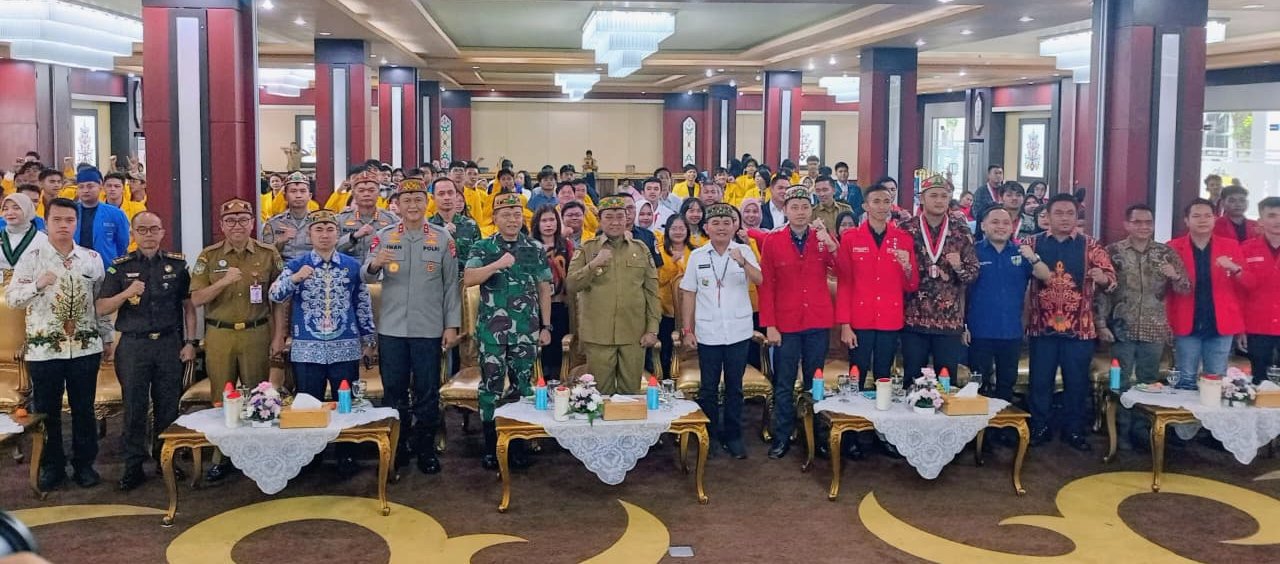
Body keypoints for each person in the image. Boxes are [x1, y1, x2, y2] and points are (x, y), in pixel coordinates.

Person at [6, 198, 108, 490]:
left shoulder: (91, 258)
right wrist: (37, 284)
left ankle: (84, 465)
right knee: (47, 410)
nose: (64, 226)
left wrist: (107, 336)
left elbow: (100, 302)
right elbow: (12, 299)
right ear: (46, 222)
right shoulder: (31, 257)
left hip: (85, 347)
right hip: (45, 349)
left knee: (84, 409)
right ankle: (52, 465)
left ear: (76, 223)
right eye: (57, 220)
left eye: (69, 220)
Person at [270, 210, 376, 477]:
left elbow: (362, 304)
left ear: (338, 234)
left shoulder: (351, 265)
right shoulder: (297, 264)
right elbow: (275, 294)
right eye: (319, 229)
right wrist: (295, 279)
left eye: (330, 229)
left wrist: (368, 340)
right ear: (309, 234)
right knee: (308, 403)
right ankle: (311, 455)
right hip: (308, 348)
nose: (325, 235)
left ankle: (346, 455)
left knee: (346, 404)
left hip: (345, 346)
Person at [95, 211, 196, 490]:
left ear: (162, 232)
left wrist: (190, 342)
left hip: (168, 343)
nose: (149, 235)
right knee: (134, 406)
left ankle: (166, 460)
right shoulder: (119, 267)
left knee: (168, 405)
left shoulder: (177, 265)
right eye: (142, 230)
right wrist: (126, 293)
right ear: (133, 234)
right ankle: (133, 466)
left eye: (154, 229)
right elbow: (102, 307)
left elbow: (188, 307)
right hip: (134, 345)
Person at [364, 182, 460, 474]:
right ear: (398, 204)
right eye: (407, 200)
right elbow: (366, 274)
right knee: (393, 391)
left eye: (418, 199)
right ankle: (399, 445)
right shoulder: (384, 236)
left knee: (427, 391)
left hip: (428, 327)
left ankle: (426, 448)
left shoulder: (442, 238)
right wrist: (375, 264)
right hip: (392, 328)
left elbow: (451, 286)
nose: (413, 206)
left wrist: (452, 325)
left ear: (426, 203)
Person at [190, 198, 286, 482]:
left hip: (257, 332)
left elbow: (279, 300)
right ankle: (222, 456)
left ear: (252, 223)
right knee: (222, 395)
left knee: (260, 395)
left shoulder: (268, 254)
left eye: (243, 220)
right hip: (220, 334)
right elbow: (196, 299)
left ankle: (259, 452)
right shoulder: (209, 256)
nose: (237, 226)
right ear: (222, 225)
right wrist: (223, 281)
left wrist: (279, 336)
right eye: (230, 221)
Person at [465, 192, 552, 470]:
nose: (512, 220)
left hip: (525, 329)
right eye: (505, 215)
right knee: (490, 387)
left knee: (523, 386)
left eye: (516, 214)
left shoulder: (534, 247)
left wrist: (546, 326)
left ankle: (517, 445)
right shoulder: (483, 246)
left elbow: (544, 288)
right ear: (495, 218)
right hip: (492, 331)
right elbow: (469, 279)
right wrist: (496, 265)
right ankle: (491, 447)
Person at [1025, 193, 1116, 450]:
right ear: (1047, 216)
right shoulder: (1031, 243)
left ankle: (1074, 431)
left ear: (1077, 217)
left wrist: (1102, 278)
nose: (1064, 218)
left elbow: (1112, 279)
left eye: (1070, 213)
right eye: (1059, 213)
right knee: (1040, 382)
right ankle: (1040, 428)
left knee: (1077, 383)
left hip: (1080, 329)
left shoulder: (1091, 245)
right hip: (1041, 326)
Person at [758, 186, 838, 460]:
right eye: (795, 207)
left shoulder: (822, 237)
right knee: (784, 382)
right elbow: (766, 286)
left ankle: (817, 436)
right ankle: (782, 437)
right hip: (786, 323)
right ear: (785, 210)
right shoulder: (773, 240)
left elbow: (842, 269)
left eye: (805, 207)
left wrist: (831, 243)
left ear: (811, 209)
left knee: (815, 382)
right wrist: (770, 325)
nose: (800, 212)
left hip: (817, 319)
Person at [680, 202, 761, 460]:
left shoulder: (744, 250)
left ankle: (734, 436)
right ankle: (711, 435)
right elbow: (688, 293)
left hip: (738, 330)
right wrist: (687, 329)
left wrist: (743, 263)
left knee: (735, 387)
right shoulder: (697, 255)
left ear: (735, 226)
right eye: (716, 223)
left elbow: (760, 280)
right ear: (706, 228)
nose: (721, 228)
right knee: (709, 387)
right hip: (708, 331)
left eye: (727, 223)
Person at [567, 195, 660, 395]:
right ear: (599, 220)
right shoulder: (587, 248)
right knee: (599, 396)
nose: (615, 222)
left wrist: (652, 329)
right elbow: (572, 284)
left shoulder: (640, 249)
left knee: (630, 395)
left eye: (620, 216)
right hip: (598, 335)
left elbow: (652, 292)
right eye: (609, 217)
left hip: (634, 334)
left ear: (627, 218)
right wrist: (594, 264)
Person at [1097, 204, 1189, 386]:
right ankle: (1117, 406)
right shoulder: (1112, 252)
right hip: (1120, 328)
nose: (1144, 226)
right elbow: (1101, 292)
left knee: (1149, 381)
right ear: (1126, 224)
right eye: (1137, 222)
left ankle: (1143, 406)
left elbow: (1185, 289)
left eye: (1148, 222)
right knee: (1118, 381)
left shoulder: (1165, 253)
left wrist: (1176, 276)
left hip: (1154, 327)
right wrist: (1100, 324)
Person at [837, 183, 919, 387]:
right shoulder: (850, 238)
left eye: (886, 201)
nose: (882, 206)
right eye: (876, 201)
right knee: (857, 373)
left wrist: (907, 267)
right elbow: (845, 283)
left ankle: (882, 408)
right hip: (860, 318)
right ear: (865, 206)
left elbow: (911, 285)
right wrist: (845, 324)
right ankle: (854, 407)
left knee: (884, 375)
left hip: (889, 318)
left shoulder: (903, 239)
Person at [966, 207, 1050, 406]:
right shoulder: (973, 252)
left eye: (1006, 223)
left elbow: (1045, 275)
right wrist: (963, 325)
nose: (1001, 227)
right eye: (995, 222)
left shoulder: (1021, 252)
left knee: (1006, 384)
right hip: (979, 331)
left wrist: (1033, 257)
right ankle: (980, 426)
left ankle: (1003, 423)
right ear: (983, 226)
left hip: (1011, 331)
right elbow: (961, 290)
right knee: (978, 386)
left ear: (1012, 227)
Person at [899, 175, 978, 380]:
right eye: (933, 195)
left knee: (946, 382)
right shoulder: (906, 230)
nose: (939, 200)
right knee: (912, 381)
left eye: (944, 196)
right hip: (913, 319)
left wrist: (959, 267)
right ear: (922, 198)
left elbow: (972, 275)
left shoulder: (960, 231)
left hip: (949, 321)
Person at [1166, 198, 1246, 386]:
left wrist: (1235, 268)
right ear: (1186, 220)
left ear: (1215, 219)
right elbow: (1165, 290)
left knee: (1216, 379)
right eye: (1196, 216)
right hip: (1186, 322)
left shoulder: (1230, 246)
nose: (1202, 220)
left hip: (1220, 323)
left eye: (1207, 216)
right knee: (1185, 379)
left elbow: (1246, 285)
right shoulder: (1172, 247)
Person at [1239, 197, 1280, 384]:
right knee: (1259, 382)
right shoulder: (1246, 249)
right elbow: (1238, 293)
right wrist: (1240, 328)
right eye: (1271, 215)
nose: (1277, 220)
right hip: (1257, 326)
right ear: (1260, 221)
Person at [532, 205, 573, 380]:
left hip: (560, 304)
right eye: (544, 220)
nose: (548, 224)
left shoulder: (566, 245)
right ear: (537, 224)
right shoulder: (530, 246)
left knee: (558, 348)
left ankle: (558, 383)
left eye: (552, 220)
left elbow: (572, 272)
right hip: (535, 305)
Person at [656, 214, 694, 380]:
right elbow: (658, 279)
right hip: (666, 307)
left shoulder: (695, 251)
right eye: (674, 228)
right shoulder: (660, 251)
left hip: (691, 309)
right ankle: (666, 379)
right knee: (666, 348)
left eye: (681, 228)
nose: (678, 232)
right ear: (667, 231)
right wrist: (673, 262)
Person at [71, 167, 130, 268]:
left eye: (90, 186)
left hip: (107, 267)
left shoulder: (116, 214)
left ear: (100, 186)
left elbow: (122, 244)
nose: (85, 190)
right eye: (81, 187)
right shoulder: (70, 212)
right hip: (76, 267)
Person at [336, 171, 398, 263]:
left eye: (371, 190)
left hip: (380, 269)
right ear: (353, 194)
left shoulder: (391, 220)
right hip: (348, 269)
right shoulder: (340, 220)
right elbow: (331, 248)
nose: (366, 194)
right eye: (361, 191)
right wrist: (353, 237)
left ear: (378, 193)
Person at [428, 177, 482, 268]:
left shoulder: (471, 225)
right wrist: (442, 236)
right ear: (433, 198)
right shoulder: (427, 227)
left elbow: (479, 258)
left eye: (450, 193)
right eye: (441, 194)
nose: (447, 197)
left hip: (465, 275)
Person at [262, 172, 316, 261]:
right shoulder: (273, 224)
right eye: (293, 191)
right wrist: (280, 242)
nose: (298, 195)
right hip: (283, 267)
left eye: (303, 191)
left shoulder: (318, 222)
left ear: (310, 196)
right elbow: (265, 256)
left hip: (313, 266)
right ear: (285, 196)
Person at [0, 194, 48, 272]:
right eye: (5, 209)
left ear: (27, 209)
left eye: (16, 208)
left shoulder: (42, 239)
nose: (9, 213)